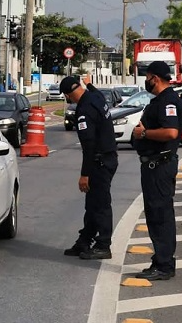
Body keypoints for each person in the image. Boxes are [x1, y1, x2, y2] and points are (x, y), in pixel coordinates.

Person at [131, 61, 182, 281]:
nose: (146, 81)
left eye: (148, 76)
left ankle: (164, 264)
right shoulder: (161, 101)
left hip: (160, 165)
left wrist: (144, 134)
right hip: (154, 165)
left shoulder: (168, 101)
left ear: (155, 78)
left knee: (160, 215)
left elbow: (171, 133)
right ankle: (161, 260)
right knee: (155, 214)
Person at [59, 76, 118, 260]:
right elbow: (98, 92)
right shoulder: (96, 98)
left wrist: (85, 174)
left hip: (98, 162)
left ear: (69, 94)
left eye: (67, 96)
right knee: (92, 205)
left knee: (100, 205)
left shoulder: (84, 110)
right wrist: (89, 83)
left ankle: (103, 245)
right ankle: (84, 241)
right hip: (108, 158)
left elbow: (89, 146)